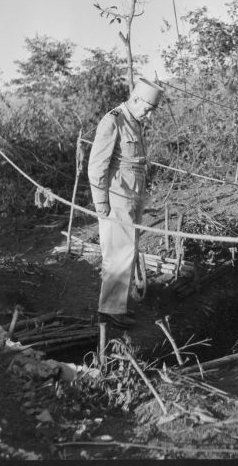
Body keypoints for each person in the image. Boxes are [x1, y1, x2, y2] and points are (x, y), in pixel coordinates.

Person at [88, 77, 163, 328]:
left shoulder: (135, 122)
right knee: (118, 254)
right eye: (148, 109)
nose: (149, 116)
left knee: (127, 251)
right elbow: (96, 167)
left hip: (132, 196)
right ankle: (109, 311)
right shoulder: (113, 121)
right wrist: (102, 204)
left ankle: (116, 307)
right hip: (116, 197)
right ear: (136, 99)